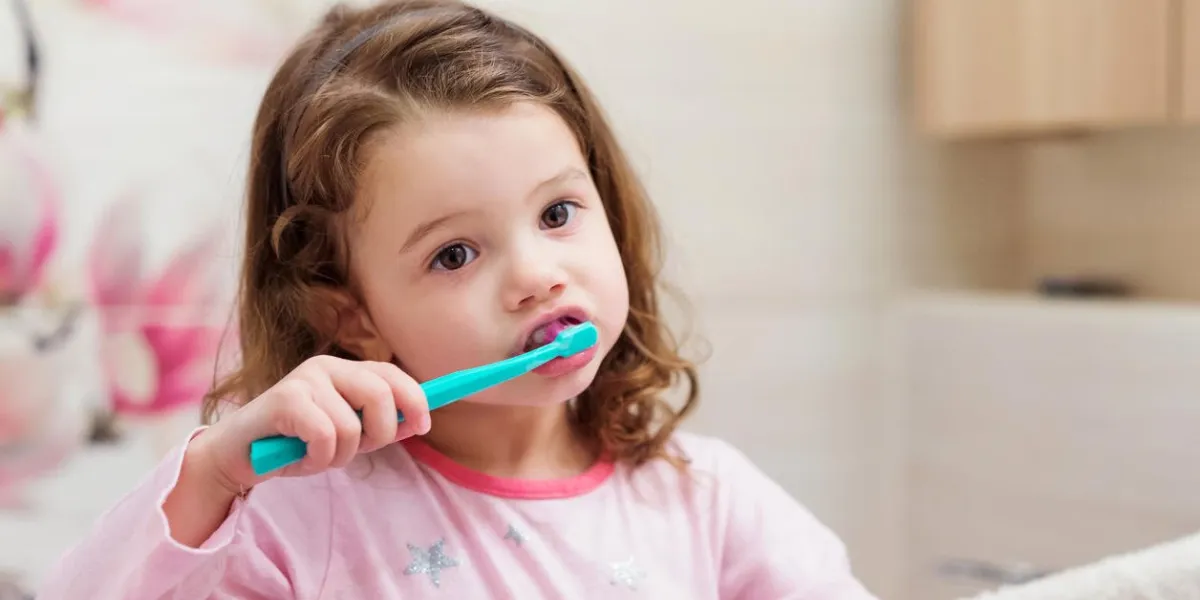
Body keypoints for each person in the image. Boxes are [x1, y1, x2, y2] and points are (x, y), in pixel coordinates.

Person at [37, 1, 877, 598]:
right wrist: (215, 471)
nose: (538, 275)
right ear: (349, 313)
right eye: (455, 254)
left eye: (557, 213)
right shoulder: (301, 517)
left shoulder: (705, 503)